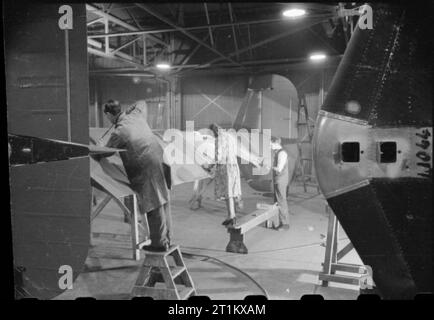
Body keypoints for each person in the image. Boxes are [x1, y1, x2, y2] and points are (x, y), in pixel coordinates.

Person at [102, 99, 172, 252]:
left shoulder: (119, 132)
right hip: (160, 160)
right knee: (163, 200)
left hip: (146, 168)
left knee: (153, 204)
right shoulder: (136, 115)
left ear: (108, 114)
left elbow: (105, 151)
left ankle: (159, 244)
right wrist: (128, 111)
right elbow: (142, 102)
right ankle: (166, 238)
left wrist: (97, 147)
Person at [271, 136, 290, 230]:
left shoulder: (282, 153)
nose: (270, 146)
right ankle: (278, 222)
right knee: (277, 201)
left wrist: (269, 166)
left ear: (276, 143)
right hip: (278, 180)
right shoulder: (277, 153)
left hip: (281, 180)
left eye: (271, 144)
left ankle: (285, 224)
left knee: (281, 201)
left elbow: (279, 169)